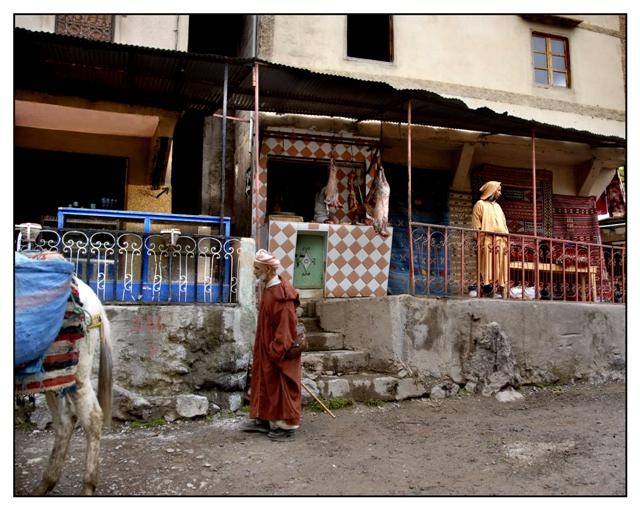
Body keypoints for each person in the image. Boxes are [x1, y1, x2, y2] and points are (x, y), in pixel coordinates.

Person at [241, 249, 302, 441]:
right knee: (265, 383)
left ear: (268, 270)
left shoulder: (282, 296)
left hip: (278, 351)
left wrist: (276, 351)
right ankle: (264, 419)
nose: (254, 272)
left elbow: (285, 329)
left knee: (280, 386)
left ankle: (286, 426)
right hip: (266, 348)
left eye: (257, 268)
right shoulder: (269, 289)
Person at [472, 180, 509, 298]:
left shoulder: (498, 207)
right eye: (498, 190)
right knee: (487, 266)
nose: (500, 193)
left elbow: (504, 224)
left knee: (500, 267)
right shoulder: (480, 204)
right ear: (491, 190)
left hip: (501, 242)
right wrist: (479, 239)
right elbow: (476, 225)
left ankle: (499, 291)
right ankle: (488, 290)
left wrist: (506, 236)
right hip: (487, 241)